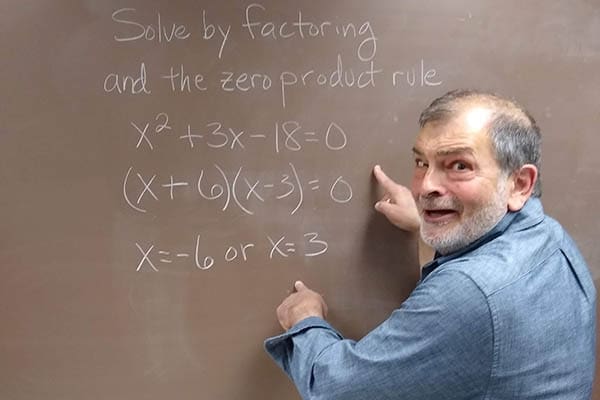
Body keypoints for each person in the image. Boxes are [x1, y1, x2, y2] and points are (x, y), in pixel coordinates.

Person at [264, 89, 596, 399]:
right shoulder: (550, 238)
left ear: (519, 184)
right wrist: (426, 224)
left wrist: (305, 322)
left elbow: (335, 389)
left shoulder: (470, 292)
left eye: (459, 166)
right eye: (422, 162)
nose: (426, 187)